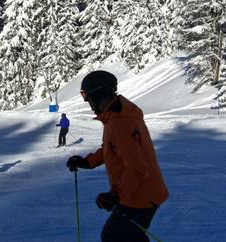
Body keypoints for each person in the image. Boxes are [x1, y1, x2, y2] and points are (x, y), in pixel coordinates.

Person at [66, 71, 169, 242]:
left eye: (89, 98)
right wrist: (88, 162)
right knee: (128, 236)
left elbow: (138, 167)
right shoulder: (117, 116)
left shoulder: (120, 122)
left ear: (99, 95)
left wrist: (115, 194)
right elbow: (113, 148)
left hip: (140, 196)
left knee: (113, 236)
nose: (89, 104)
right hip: (143, 193)